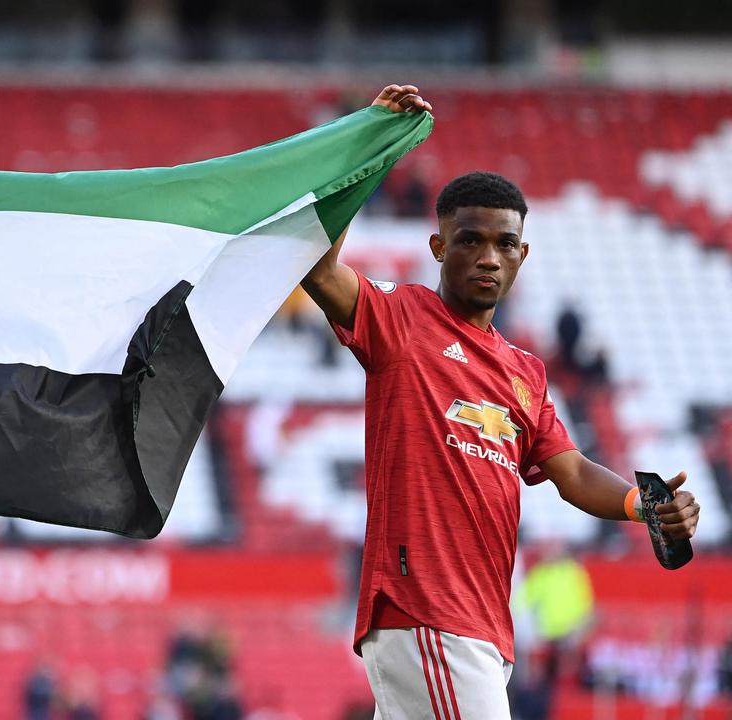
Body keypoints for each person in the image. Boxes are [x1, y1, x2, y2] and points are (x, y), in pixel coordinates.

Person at [298, 84, 702, 720]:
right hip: (428, 612)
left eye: (504, 244)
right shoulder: (402, 318)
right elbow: (318, 270)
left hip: (481, 626)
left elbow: (569, 473)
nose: (488, 257)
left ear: (523, 255)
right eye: (470, 240)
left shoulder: (525, 373)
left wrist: (641, 503)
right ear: (438, 247)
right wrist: (364, 145)